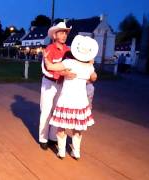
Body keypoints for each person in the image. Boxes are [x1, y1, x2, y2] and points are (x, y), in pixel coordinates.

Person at [45, 35, 98, 160]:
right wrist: (90, 65)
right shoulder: (89, 67)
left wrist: (46, 57)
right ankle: (76, 152)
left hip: (66, 100)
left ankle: (62, 152)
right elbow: (94, 78)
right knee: (77, 128)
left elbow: (50, 67)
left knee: (61, 126)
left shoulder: (68, 62)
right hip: (80, 101)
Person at [39, 22, 76, 150]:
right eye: (61, 32)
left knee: (57, 111)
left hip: (61, 85)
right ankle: (43, 138)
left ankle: (53, 137)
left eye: (65, 33)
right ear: (55, 35)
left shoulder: (69, 51)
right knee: (46, 111)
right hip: (49, 84)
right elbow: (45, 69)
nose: (64, 35)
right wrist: (61, 73)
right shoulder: (49, 49)